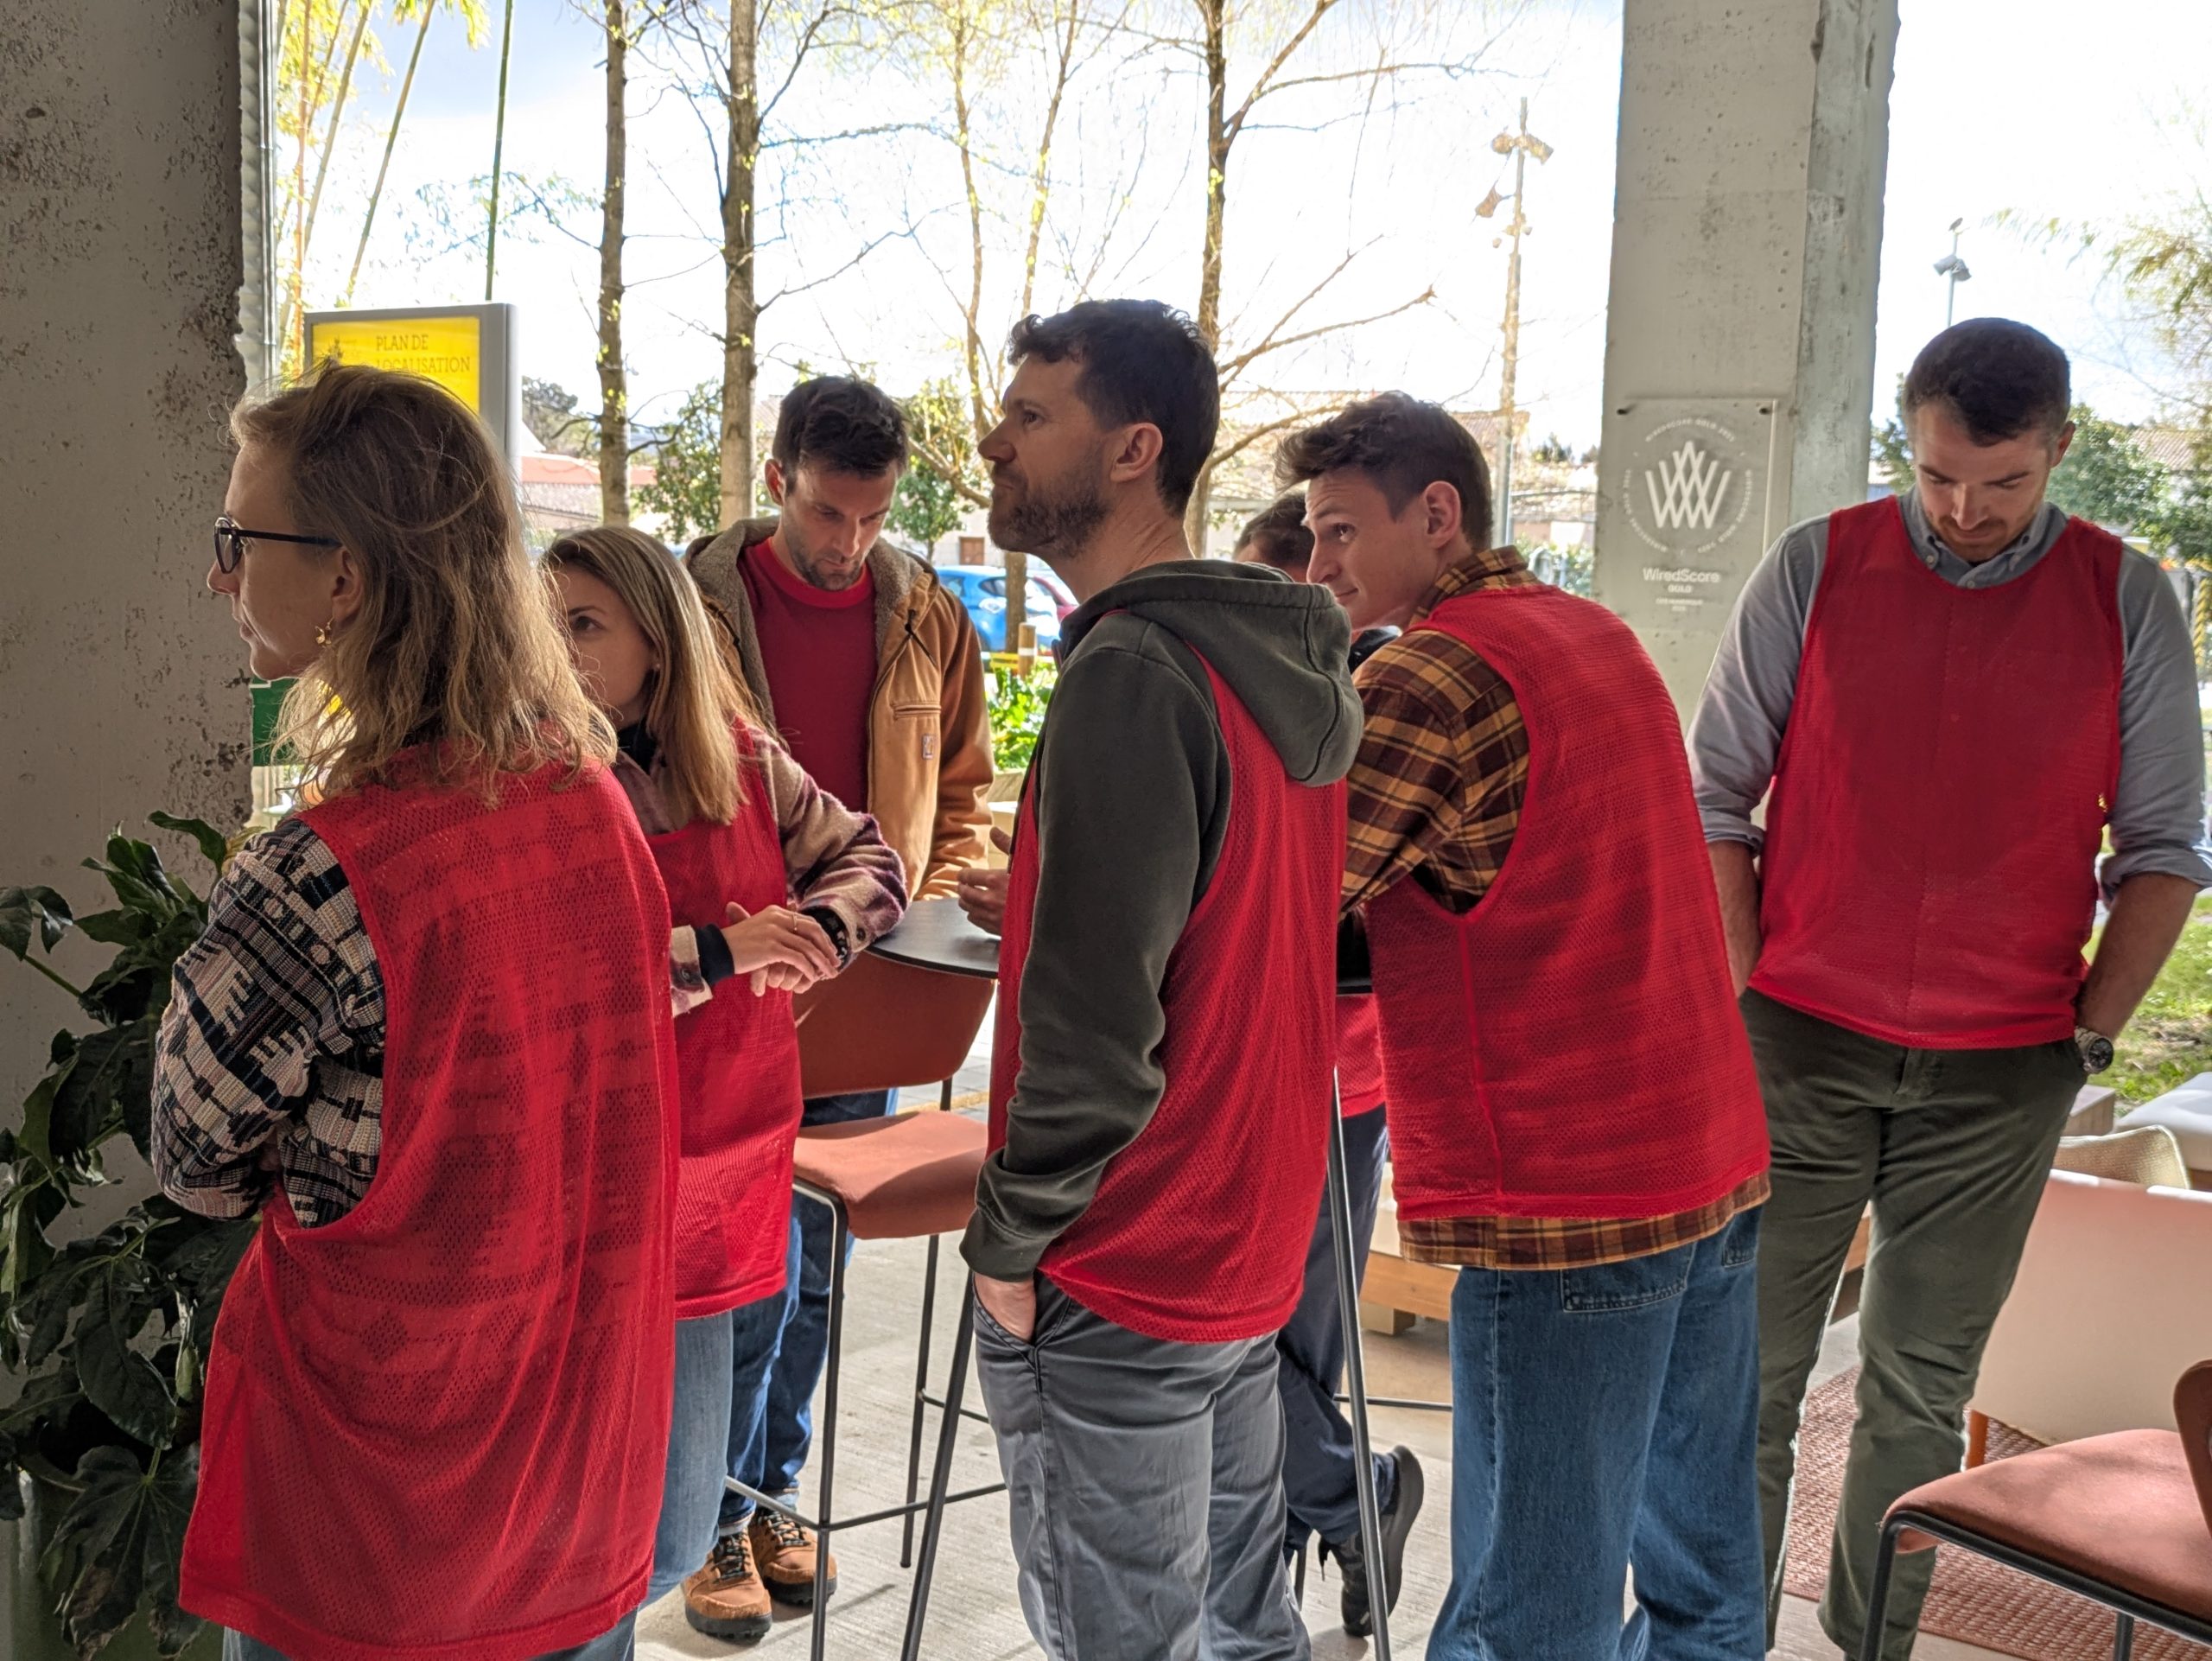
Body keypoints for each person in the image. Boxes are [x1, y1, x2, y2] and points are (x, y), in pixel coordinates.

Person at [1690, 318, 2212, 1660]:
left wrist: (2088, 1035)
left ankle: (1872, 1645)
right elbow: (1713, 799)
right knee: (1742, 1377)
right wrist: (1749, 986)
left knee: (1918, 1390)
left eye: (2004, 483)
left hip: (2003, 1073)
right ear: (1906, 442)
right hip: (1797, 1042)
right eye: (1936, 476)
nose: (1966, 511)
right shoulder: (1815, 566)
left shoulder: (2126, 599)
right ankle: (1715, 1642)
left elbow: (2166, 849)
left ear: (2060, 450)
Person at [154, 364, 680, 1661]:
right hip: (575, 1478)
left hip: (382, 1518)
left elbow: (191, 1155)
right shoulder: (590, 799)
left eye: (239, 538)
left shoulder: (324, 870)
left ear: (345, 578)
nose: (220, 574)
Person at [1283, 392, 1772, 1660]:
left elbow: (1289, 896)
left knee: (1529, 1614)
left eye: (1339, 530)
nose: (1317, 563)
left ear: (1438, 513)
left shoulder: (1427, 672)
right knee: (1704, 1578)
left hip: (1570, 1191)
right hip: (1709, 1147)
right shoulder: (1594, 629)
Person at [951, 299, 1359, 1661]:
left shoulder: (1136, 667)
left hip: (1122, 1253)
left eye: (1030, 415)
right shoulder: (1274, 663)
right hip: (1240, 1235)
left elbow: (1094, 1022)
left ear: (1134, 449)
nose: (995, 442)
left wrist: (1011, 1242)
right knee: (1246, 1628)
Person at [543, 527, 909, 1645]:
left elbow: (870, 860)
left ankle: (740, 1522)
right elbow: (559, 973)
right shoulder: (538, 780)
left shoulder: (745, 760)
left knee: (715, 1436)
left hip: (740, 1148)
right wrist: (720, 950)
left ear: (659, 638)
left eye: (584, 624)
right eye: (545, 625)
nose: (557, 649)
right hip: (606, 1169)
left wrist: (821, 931)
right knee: (627, 1518)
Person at [679, 375, 991, 1616]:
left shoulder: (929, 616)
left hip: (859, 977)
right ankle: (711, 1517)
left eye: (872, 516)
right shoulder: (691, 602)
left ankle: (770, 1492)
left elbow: (959, 789)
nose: (849, 541)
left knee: (811, 1264)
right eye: (825, 512)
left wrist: (925, 908)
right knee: (725, 1264)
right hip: (722, 979)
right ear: (777, 481)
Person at [1230, 489, 1425, 1638]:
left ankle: (1318, 1527)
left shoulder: (1381, 689)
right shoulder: (1225, 689)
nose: (1296, 604)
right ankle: (1354, 1500)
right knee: (1243, 1333)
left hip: (1339, 1064)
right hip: (1234, 1060)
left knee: (1276, 1340)